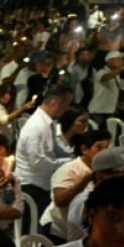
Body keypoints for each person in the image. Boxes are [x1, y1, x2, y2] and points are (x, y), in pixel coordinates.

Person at [14, 86, 74, 232]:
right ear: (54, 103)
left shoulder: (49, 122)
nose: (66, 110)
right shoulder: (36, 127)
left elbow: (55, 148)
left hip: (42, 184)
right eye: (65, 105)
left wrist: (73, 157)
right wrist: (70, 162)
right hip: (32, 186)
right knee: (31, 232)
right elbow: (38, 163)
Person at [39, 129, 110, 244]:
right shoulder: (69, 169)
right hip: (59, 230)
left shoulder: (104, 170)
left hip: (83, 230)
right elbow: (60, 200)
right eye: (99, 147)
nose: (104, 152)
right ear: (84, 149)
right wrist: (85, 179)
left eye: (106, 148)